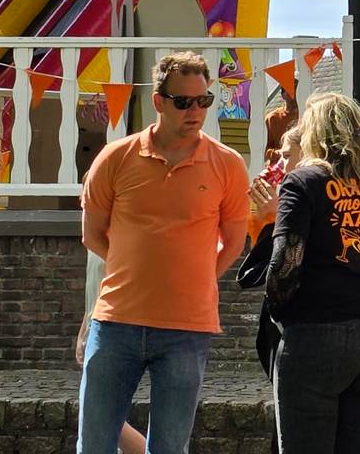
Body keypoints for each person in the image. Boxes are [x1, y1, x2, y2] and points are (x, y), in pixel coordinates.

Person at [78, 52, 250, 454]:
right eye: (183, 102)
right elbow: (92, 235)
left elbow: (235, 241)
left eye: (203, 101)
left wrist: (199, 276)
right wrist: (132, 269)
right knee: (95, 444)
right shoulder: (115, 157)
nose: (195, 111)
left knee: (171, 448)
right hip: (117, 321)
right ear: (158, 101)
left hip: (187, 327)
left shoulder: (227, 165)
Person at [267, 92, 360, 454]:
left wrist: (281, 313)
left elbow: (285, 266)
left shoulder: (302, 184)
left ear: (314, 133)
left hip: (314, 334)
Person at [236, 125, 303, 454]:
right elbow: (254, 261)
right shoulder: (282, 195)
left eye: (287, 157)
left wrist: (276, 218)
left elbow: (278, 266)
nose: (278, 166)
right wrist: (264, 218)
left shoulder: (303, 196)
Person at [76, 252, 147, 454]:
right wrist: (83, 330)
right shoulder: (93, 233)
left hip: (112, 332)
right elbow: (96, 287)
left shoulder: (123, 232)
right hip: (96, 329)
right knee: (98, 416)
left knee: (101, 416)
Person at [265, 89, 299, 162]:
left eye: (297, 91)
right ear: (283, 95)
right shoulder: (272, 118)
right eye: (291, 92)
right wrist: (278, 153)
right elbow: (262, 149)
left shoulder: (307, 116)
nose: (295, 95)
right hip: (278, 168)